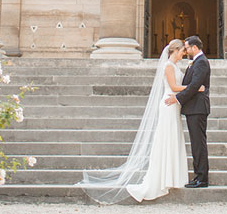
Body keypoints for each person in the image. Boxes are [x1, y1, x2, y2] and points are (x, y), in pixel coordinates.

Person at [77, 38, 203, 203]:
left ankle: (171, 176)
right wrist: (195, 87)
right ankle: (163, 177)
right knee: (166, 139)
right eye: (182, 51)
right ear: (174, 51)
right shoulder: (168, 66)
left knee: (172, 139)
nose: (183, 54)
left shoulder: (175, 66)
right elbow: (173, 87)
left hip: (174, 105)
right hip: (169, 104)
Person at [165, 35, 210, 188]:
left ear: (195, 48)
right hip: (193, 108)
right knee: (196, 143)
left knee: (199, 143)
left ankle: (202, 178)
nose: (186, 50)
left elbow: (195, 85)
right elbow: (192, 86)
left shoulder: (201, 62)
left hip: (197, 108)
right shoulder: (196, 62)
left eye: (187, 48)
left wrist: (177, 99)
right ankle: (199, 176)